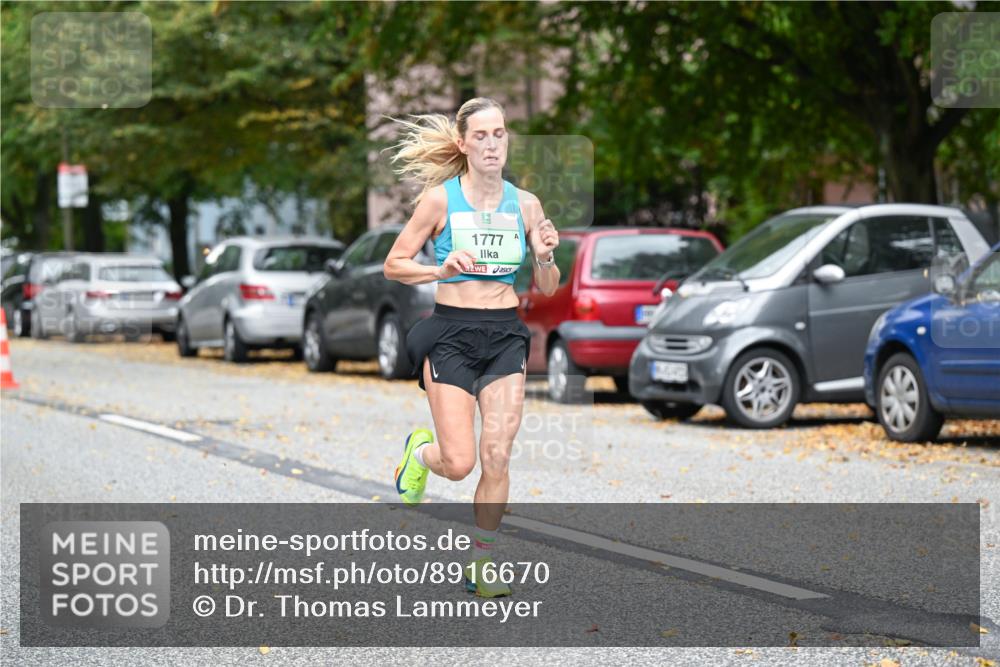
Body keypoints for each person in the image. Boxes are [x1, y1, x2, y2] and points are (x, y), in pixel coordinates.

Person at [382, 97, 560, 598]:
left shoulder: (526, 204)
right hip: (452, 333)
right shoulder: (440, 200)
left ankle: (482, 562)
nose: (491, 144)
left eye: (499, 134)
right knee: (460, 464)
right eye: (480, 135)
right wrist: (437, 270)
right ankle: (420, 454)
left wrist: (544, 257)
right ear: (462, 143)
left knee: (497, 455)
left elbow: (547, 286)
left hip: (505, 334)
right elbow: (394, 264)